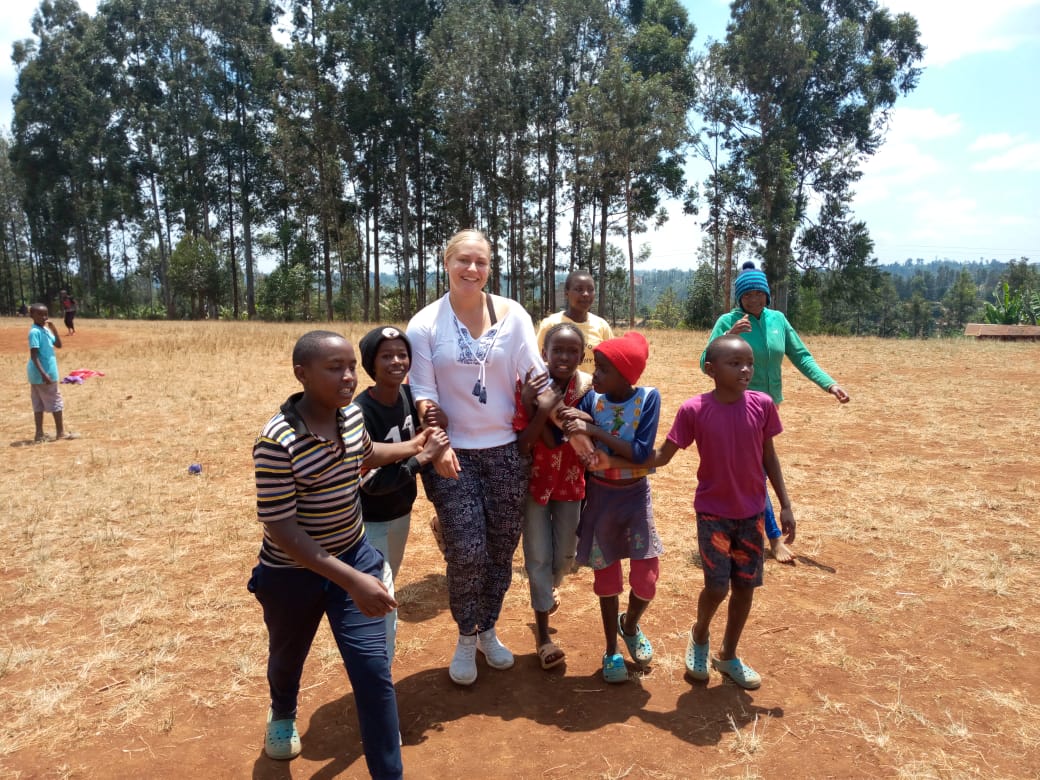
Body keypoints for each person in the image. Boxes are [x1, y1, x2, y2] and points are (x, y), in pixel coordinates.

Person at [250, 329, 444, 774]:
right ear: (302, 374)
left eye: (351, 367)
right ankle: (282, 712)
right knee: (287, 656)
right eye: (334, 368)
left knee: (374, 673)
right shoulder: (278, 442)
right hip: (291, 574)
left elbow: (365, 453)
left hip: (354, 555)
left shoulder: (349, 417)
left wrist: (415, 447)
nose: (349, 377)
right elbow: (281, 528)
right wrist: (352, 579)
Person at [406, 228, 546, 686]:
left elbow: (537, 377)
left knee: (502, 548)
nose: (472, 269)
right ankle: (466, 635)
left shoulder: (514, 315)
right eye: (463, 260)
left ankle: (488, 628)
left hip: (506, 453)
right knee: (468, 550)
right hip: (453, 455)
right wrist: (438, 443)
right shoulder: (426, 324)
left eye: (481, 262)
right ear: (446, 263)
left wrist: (570, 420)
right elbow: (423, 393)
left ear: (490, 267)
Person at [653, 334, 795, 690]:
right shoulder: (694, 409)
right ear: (711, 370)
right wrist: (618, 460)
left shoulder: (762, 405)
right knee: (716, 587)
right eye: (735, 364)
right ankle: (699, 635)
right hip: (713, 514)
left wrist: (785, 504)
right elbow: (662, 456)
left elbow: (769, 457)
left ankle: (728, 654)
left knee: (745, 587)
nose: (746, 369)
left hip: (751, 516)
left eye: (749, 363)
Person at [702, 262, 849, 563]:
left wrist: (829, 385)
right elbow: (705, 360)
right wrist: (729, 333)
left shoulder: (778, 321)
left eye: (759, 294)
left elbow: (802, 357)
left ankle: (739, 525)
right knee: (757, 469)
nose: (754, 300)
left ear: (767, 296)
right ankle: (773, 537)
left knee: (752, 469)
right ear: (739, 298)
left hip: (769, 407)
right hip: (738, 404)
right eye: (748, 295)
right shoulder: (728, 320)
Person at [560, 331, 663, 684]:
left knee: (647, 580)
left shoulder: (648, 399)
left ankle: (629, 625)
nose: (595, 376)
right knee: (607, 580)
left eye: (603, 369)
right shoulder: (593, 400)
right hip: (600, 499)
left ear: (625, 373)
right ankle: (610, 650)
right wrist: (583, 428)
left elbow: (641, 452)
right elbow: (581, 440)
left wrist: (599, 435)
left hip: (634, 498)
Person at [354, 325, 448, 664]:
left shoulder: (411, 398)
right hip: (369, 522)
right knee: (383, 598)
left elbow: (432, 430)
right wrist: (422, 457)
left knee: (384, 586)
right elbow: (369, 482)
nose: (397, 361)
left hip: (400, 513)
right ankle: (381, 673)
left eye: (402, 354)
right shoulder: (360, 412)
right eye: (386, 355)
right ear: (370, 364)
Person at [512, 322, 593, 670]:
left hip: (572, 483)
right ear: (543, 353)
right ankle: (544, 637)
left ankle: (549, 588)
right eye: (556, 350)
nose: (563, 356)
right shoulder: (528, 386)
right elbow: (531, 442)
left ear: (582, 355)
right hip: (535, 483)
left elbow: (594, 426)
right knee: (538, 557)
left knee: (565, 556)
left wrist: (580, 417)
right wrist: (541, 407)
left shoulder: (588, 389)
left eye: (571, 351)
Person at [537, 269, 614, 372]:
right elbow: (537, 360)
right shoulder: (551, 324)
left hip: (592, 387)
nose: (586, 294)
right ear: (566, 293)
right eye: (579, 289)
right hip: (557, 387)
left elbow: (611, 362)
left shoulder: (602, 326)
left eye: (590, 289)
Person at [27, 304, 74, 442]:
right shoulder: (34, 332)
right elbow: (34, 356)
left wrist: (54, 329)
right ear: (32, 316)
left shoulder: (45, 330)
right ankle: (60, 433)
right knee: (55, 402)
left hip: (39, 375)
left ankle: (39, 434)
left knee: (39, 404)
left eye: (46, 314)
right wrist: (44, 374)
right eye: (40, 314)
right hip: (43, 374)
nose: (44, 317)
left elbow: (59, 345)